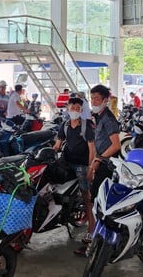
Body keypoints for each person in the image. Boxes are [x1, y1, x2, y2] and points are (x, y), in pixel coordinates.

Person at [75, 84, 120, 256]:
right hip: (100, 163)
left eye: (97, 99)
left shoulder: (108, 119)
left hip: (106, 166)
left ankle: (96, 242)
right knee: (95, 203)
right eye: (92, 98)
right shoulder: (98, 117)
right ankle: (95, 237)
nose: (93, 101)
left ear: (105, 100)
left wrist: (97, 161)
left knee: (97, 204)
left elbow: (115, 145)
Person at [53, 98, 95, 244]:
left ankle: (91, 231)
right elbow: (57, 145)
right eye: (73, 107)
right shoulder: (64, 125)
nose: (75, 110)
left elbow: (92, 148)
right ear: (68, 108)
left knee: (87, 198)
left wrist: (90, 168)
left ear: (81, 111)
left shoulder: (86, 126)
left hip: (81, 166)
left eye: (78, 108)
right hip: (66, 162)